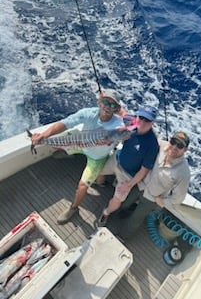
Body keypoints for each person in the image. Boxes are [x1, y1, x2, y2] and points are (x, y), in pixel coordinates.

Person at [31, 89, 125, 224]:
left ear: (116, 108)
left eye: (112, 105)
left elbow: (131, 129)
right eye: (105, 102)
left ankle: (73, 208)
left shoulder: (119, 126)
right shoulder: (88, 113)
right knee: (57, 145)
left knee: (82, 186)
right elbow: (66, 123)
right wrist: (43, 135)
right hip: (81, 145)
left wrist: (123, 115)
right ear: (99, 102)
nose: (107, 107)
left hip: (97, 157)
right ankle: (68, 153)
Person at [113, 131, 191, 240]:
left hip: (152, 197)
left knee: (136, 219)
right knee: (124, 202)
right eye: (173, 142)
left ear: (185, 150)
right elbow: (147, 141)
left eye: (180, 146)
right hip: (140, 184)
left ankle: (122, 237)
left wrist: (163, 202)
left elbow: (179, 198)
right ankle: (115, 217)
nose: (174, 147)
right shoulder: (160, 145)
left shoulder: (183, 172)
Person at [97, 105, 159, 226]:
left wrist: (129, 185)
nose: (143, 122)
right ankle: (101, 183)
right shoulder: (131, 122)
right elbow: (121, 111)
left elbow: (144, 170)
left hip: (128, 175)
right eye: (141, 118)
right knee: (98, 171)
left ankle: (106, 213)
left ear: (152, 123)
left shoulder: (152, 144)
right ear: (137, 117)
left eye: (147, 120)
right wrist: (103, 99)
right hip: (117, 159)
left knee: (118, 199)